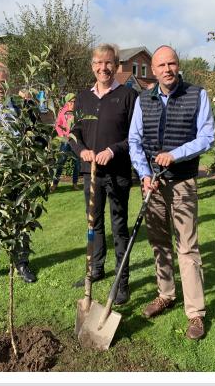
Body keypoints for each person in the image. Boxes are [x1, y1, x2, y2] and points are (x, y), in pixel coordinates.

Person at [128, 45, 215, 340]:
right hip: (153, 184)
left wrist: (176, 155)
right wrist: (144, 173)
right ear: (153, 70)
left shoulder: (196, 95)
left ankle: (196, 314)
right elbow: (134, 140)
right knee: (159, 242)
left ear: (178, 66)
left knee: (187, 247)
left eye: (172, 63)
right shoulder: (143, 100)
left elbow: (207, 137)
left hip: (182, 182)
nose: (167, 69)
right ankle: (165, 294)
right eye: (161, 65)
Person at [69, 44, 138, 305]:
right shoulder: (83, 98)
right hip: (92, 173)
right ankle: (95, 269)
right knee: (93, 224)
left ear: (117, 66)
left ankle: (122, 281)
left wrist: (113, 150)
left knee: (119, 227)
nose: (103, 68)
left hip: (118, 173)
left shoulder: (128, 95)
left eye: (108, 63)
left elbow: (135, 137)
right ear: (92, 66)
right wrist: (82, 150)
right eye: (98, 63)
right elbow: (73, 133)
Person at [0, 65, 38, 288]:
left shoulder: (21, 108)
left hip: (19, 175)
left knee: (21, 220)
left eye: (3, 82)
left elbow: (36, 136)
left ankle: (22, 264)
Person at [50, 99, 80, 192]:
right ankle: (55, 183)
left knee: (77, 162)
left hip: (76, 140)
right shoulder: (63, 111)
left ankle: (75, 183)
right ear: (67, 102)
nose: (73, 103)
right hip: (66, 140)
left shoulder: (78, 111)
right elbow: (58, 124)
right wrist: (62, 135)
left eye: (74, 101)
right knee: (61, 161)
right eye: (71, 101)